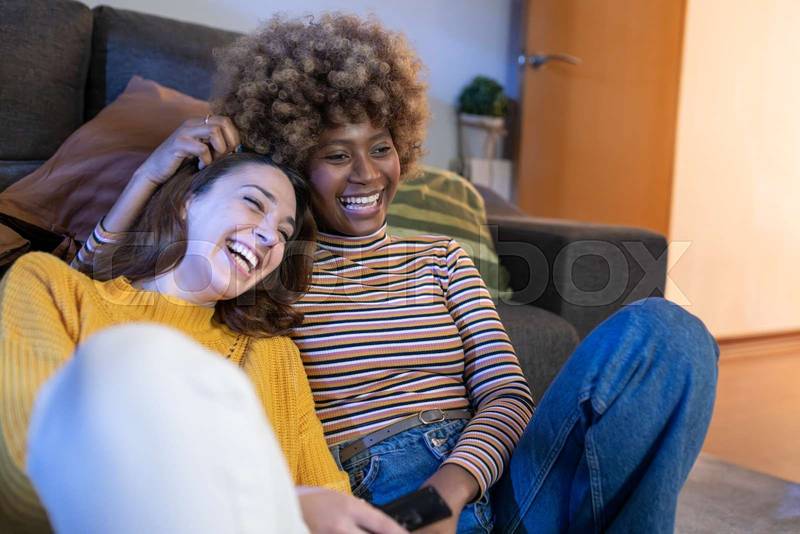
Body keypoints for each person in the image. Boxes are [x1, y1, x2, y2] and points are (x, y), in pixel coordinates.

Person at [76, 13, 719, 533]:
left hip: (496, 481)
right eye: (336, 154)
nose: (366, 174)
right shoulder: (265, 266)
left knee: (668, 331)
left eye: (380, 147)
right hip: (385, 500)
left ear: (402, 149)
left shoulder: (442, 258)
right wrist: (149, 177)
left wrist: (449, 491)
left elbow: (508, 397)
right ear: (295, 162)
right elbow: (89, 295)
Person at [0, 153, 407, 534]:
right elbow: (23, 475)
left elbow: (329, 498)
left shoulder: (273, 354)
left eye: (285, 232)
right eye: (253, 203)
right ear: (187, 202)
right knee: (132, 354)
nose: (270, 235)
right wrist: (282, 508)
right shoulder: (52, 287)